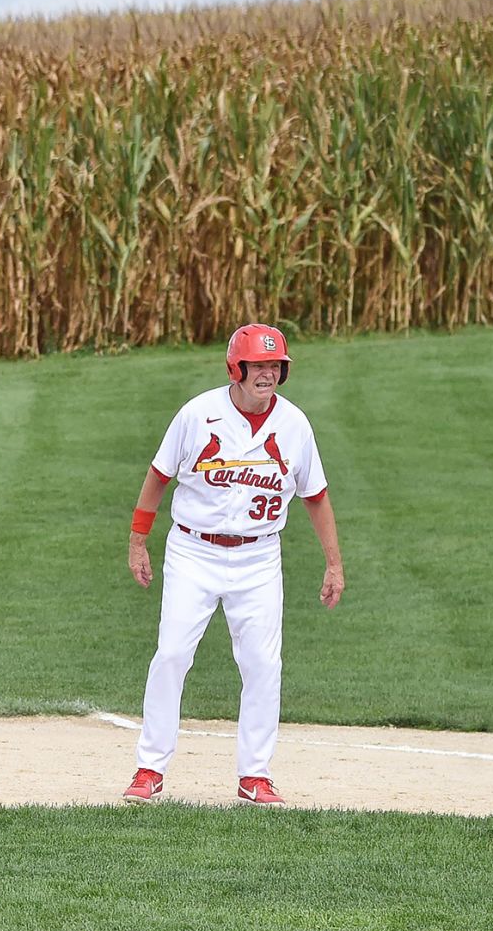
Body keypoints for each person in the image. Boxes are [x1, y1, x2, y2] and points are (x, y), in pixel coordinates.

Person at [122, 324, 344, 806]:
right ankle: (149, 767)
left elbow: (317, 496)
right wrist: (139, 543)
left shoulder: (295, 425)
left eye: (274, 366)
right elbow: (158, 477)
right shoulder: (198, 415)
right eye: (258, 365)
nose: (267, 374)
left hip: (259, 556)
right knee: (173, 653)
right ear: (235, 369)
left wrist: (334, 565)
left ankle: (255, 775)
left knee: (263, 664)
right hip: (193, 552)